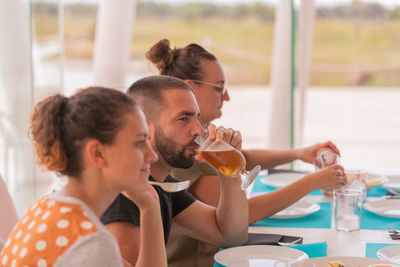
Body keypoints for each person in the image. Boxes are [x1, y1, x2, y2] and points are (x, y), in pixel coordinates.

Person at [146, 39, 346, 267]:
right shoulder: (184, 151)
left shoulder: (175, 171)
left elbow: (244, 162)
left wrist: (299, 153)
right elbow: (242, 215)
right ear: (191, 87)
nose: (227, 96)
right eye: (219, 87)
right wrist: (312, 181)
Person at [0, 87, 166, 267]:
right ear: (98, 154)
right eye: (140, 143)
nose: (152, 156)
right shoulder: (91, 243)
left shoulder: (43, 208)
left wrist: (150, 207)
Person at [100, 75, 249, 266]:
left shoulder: (160, 183)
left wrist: (229, 169)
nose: (198, 129)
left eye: (197, 117)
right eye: (183, 118)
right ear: (144, 126)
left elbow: (230, 235)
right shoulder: (124, 197)